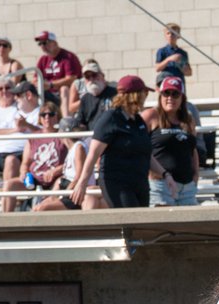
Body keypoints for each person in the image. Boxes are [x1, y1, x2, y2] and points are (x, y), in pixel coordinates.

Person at [71, 75, 174, 209]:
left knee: (140, 223)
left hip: (139, 182)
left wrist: (166, 175)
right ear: (135, 96)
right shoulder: (111, 118)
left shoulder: (138, 121)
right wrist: (82, 182)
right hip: (117, 182)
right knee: (130, 219)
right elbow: (93, 154)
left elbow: (146, 155)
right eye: (145, 92)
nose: (146, 96)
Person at [0, 78, 40, 212]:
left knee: (10, 161)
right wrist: (16, 129)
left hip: (20, 153)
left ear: (28, 95)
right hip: (0, 152)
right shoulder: (16, 111)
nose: (15, 98)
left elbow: (45, 133)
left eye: (18, 95)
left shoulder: (41, 112)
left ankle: (7, 209)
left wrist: (26, 126)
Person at [0, 99, 66, 213]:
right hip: (34, 178)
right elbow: (25, 162)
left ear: (57, 116)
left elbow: (71, 162)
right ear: (40, 118)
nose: (47, 117)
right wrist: (23, 173)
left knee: (60, 182)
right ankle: (6, 221)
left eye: (51, 114)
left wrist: (55, 171)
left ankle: (43, 211)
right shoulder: (33, 137)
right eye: (43, 115)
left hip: (55, 178)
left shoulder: (64, 136)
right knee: (9, 185)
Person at [143, 76, 198, 206]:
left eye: (175, 94)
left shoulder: (188, 120)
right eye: (166, 93)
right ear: (160, 95)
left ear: (182, 97)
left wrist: (196, 176)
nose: (170, 98)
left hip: (187, 186)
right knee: (163, 225)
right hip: (160, 184)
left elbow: (193, 150)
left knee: (189, 225)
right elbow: (140, 148)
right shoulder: (150, 115)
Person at [34, 30, 81, 112]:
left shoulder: (68, 57)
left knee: (64, 89)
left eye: (45, 43)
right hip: (49, 94)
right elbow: (35, 79)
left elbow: (71, 78)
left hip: (68, 94)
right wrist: (40, 84)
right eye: (40, 44)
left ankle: (66, 119)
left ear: (54, 42)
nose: (42, 46)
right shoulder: (43, 60)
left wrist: (51, 84)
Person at [71, 60, 117, 132]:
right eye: (87, 77)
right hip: (91, 136)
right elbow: (81, 122)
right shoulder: (85, 99)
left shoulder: (115, 94)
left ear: (102, 76)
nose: (91, 79)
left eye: (94, 75)